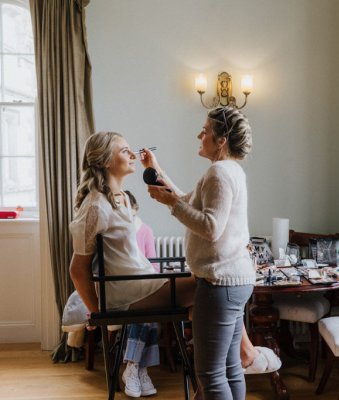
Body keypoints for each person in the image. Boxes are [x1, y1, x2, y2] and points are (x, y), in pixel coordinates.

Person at [142, 106, 260, 399]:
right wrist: (158, 172)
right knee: (230, 367)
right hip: (235, 282)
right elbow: (189, 201)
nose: (199, 134)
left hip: (219, 284)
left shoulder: (219, 173)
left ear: (221, 140)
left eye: (205, 130)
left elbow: (210, 227)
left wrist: (171, 205)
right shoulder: (230, 170)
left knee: (209, 373)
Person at [68, 131, 197, 398]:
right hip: (128, 291)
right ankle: (226, 367)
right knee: (208, 282)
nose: (131, 154)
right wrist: (98, 311)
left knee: (207, 298)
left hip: (141, 282)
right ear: (105, 160)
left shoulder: (122, 198)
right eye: (123, 150)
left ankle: (211, 376)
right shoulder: (95, 206)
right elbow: (77, 270)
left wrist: (156, 169)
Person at [120, 190, 160, 397]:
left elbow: (154, 264)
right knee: (145, 310)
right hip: (124, 288)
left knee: (148, 308)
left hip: (144, 285)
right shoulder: (115, 232)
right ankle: (138, 367)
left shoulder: (145, 230)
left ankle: (135, 367)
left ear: (135, 209)